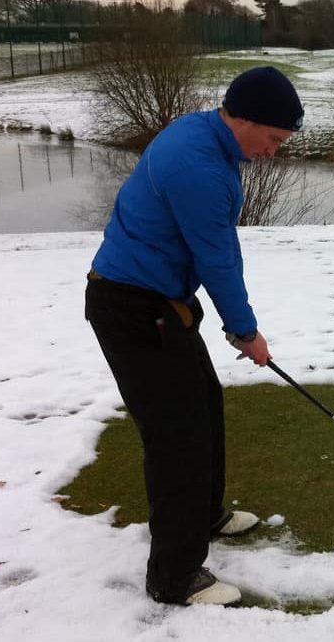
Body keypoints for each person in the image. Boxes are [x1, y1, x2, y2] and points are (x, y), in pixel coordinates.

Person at [84, 67, 304, 606]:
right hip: (133, 308)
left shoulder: (203, 134)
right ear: (244, 117)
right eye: (274, 139)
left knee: (203, 404)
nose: (274, 152)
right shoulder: (198, 167)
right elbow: (218, 259)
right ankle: (174, 576)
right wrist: (245, 330)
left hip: (158, 302)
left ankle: (206, 515)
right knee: (177, 438)